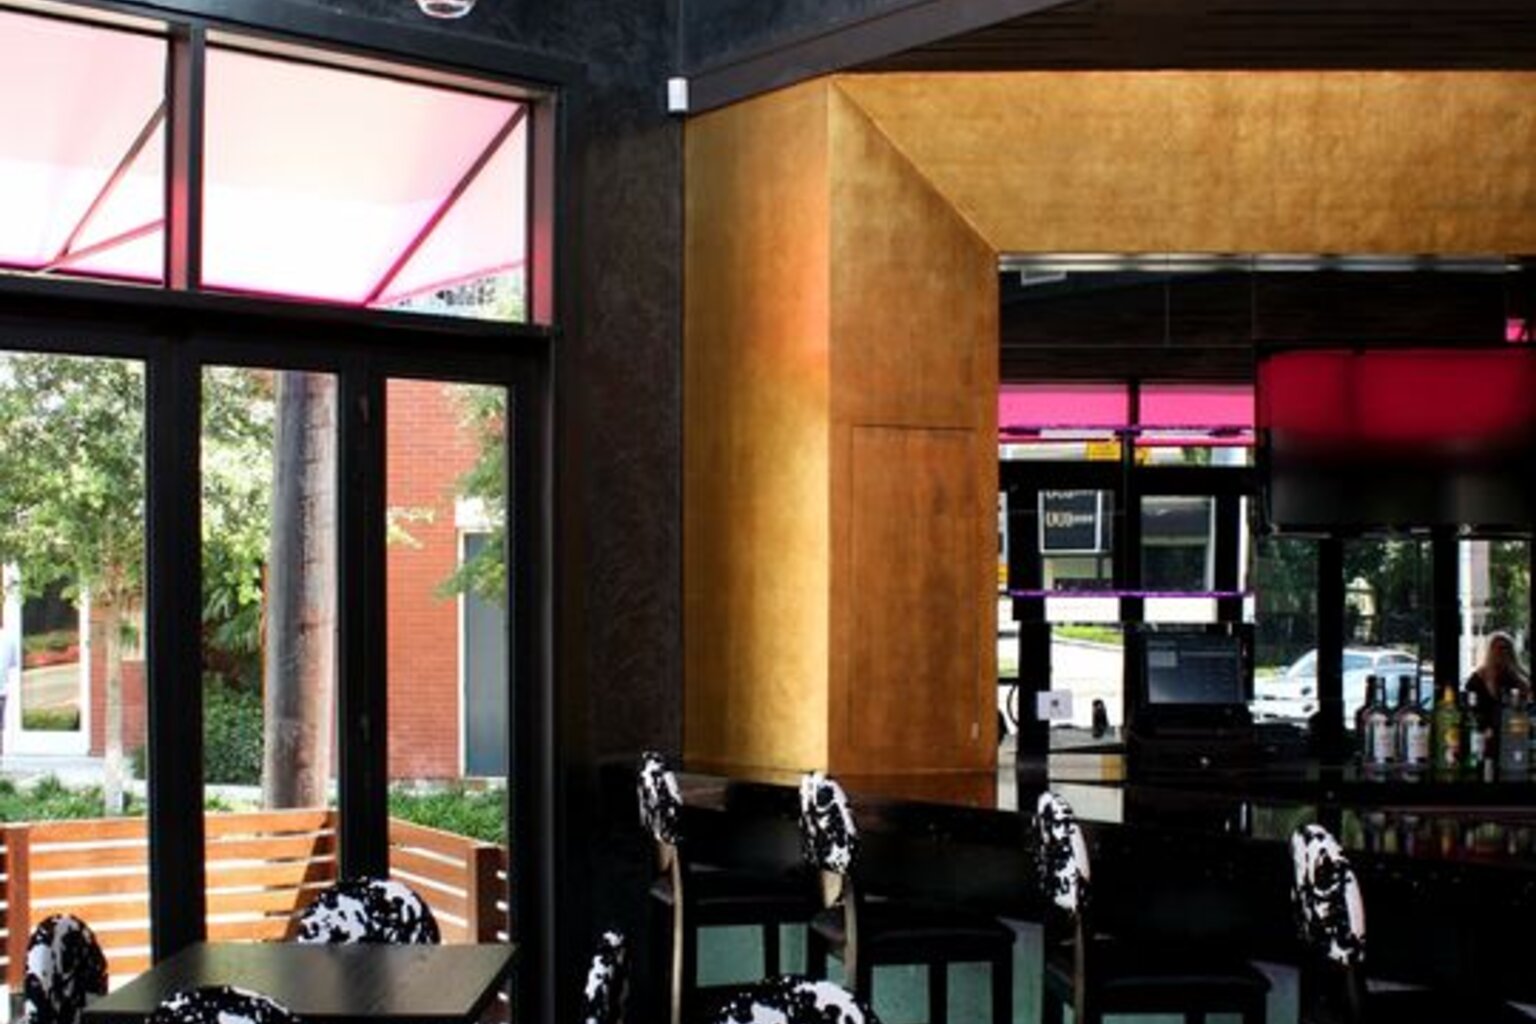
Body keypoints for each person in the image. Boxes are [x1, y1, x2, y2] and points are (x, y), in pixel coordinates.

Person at [1464, 631, 1529, 735]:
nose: (1501, 653)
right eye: (1498, 648)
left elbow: (1525, 705)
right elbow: (1470, 708)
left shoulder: (1518, 677)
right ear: (1490, 651)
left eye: (1505, 648)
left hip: (1513, 733)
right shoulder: (1477, 678)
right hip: (1484, 733)